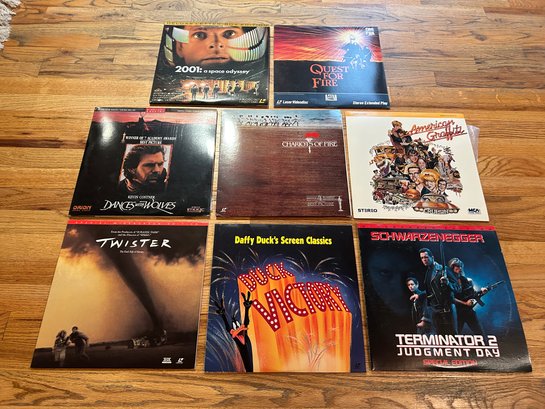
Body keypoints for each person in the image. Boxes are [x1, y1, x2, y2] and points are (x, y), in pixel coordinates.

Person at [411, 248, 461, 335]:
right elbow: (430, 291)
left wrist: (448, 283)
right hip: (435, 310)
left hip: (447, 308)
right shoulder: (428, 272)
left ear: (432, 257)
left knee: (452, 335)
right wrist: (420, 295)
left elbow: (458, 288)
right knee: (440, 336)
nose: (424, 259)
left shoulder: (443, 269)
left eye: (426, 257)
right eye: (422, 258)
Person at [448, 258, 487, 335]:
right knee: (455, 336)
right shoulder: (449, 282)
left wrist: (482, 292)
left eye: (460, 266)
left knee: (480, 334)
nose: (460, 268)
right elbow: (450, 298)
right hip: (457, 313)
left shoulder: (467, 280)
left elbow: (474, 295)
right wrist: (465, 303)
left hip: (469, 312)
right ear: (452, 268)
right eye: (457, 266)